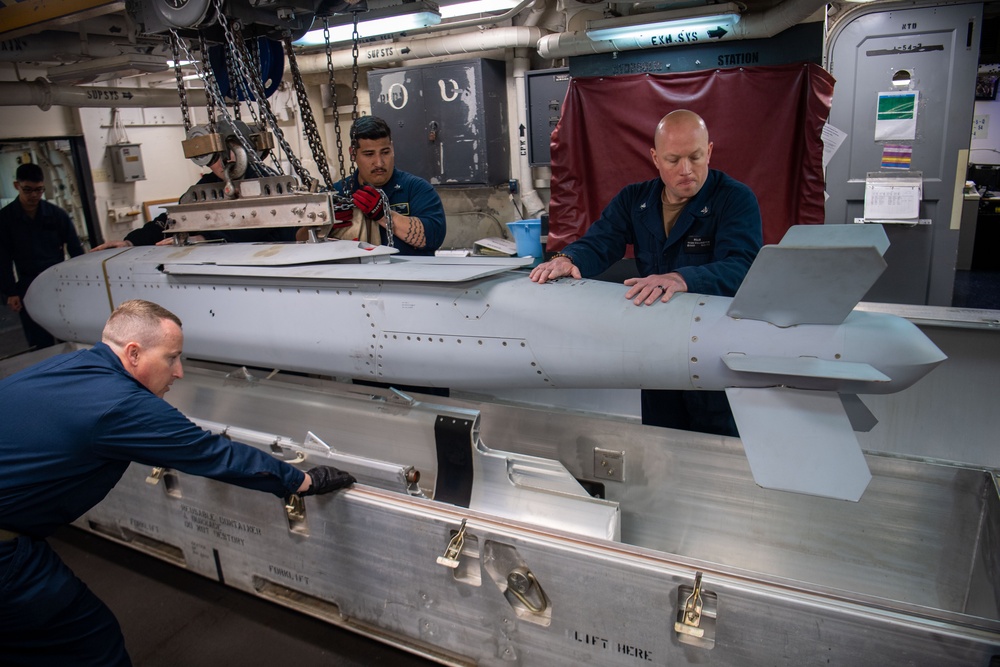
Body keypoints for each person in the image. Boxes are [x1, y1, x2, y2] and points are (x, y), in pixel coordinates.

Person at [0, 299, 355, 666]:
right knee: (89, 642)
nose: (179, 372)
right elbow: (213, 453)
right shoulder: (121, 404)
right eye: (171, 358)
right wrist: (302, 480)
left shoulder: (69, 367)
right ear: (133, 353)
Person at [529, 110, 763, 436]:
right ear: (655, 158)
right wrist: (569, 258)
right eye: (673, 160)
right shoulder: (635, 200)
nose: (686, 169)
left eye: (695, 157)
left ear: (709, 151)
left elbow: (742, 265)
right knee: (661, 437)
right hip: (656, 348)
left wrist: (681, 278)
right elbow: (601, 240)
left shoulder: (734, 199)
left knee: (717, 439)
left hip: (711, 346)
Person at [299, 115, 446, 256]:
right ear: (353, 153)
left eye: (385, 152)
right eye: (369, 154)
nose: (379, 163)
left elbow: (434, 237)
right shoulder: (336, 193)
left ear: (392, 148)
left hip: (407, 273)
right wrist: (321, 224)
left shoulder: (416, 189)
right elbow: (297, 240)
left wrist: (383, 215)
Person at [92, 153, 294, 251]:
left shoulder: (269, 183)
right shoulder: (206, 187)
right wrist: (131, 242)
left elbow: (262, 228)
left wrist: (207, 238)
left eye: (231, 152)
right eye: (216, 156)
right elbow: (176, 219)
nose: (225, 162)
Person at [0, 163, 85, 348]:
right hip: (28, 285)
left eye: (39, 190)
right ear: (16, 186)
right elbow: (3, 259)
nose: (34, 195)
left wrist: (80, 283)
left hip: (58, 283)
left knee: (70, 335)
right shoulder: (5, 219)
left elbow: (76, 251)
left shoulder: (56, 215)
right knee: (39, 341)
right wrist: (10, 293)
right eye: (28, 190)